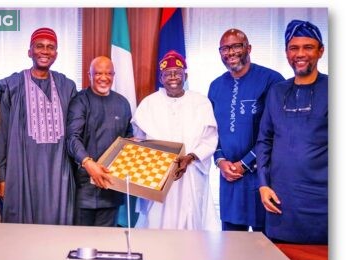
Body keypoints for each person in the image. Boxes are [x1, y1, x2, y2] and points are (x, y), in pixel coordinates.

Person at [256, 20, 328, 244]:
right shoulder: (277, 91)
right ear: (286, 53)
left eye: (308, 47)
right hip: (279, 199)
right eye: (293, 48)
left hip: (323, 202)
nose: (300, 54)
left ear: (320, 51)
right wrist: (263, 184)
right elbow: (264, 141)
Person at [0, 27, 77, 225]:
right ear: (30, 51)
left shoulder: (67, 86)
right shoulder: (11, 86)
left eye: (50, 47)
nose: (45, 51)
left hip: (59, 174)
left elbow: (76, 132)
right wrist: (2, 177)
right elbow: (1, 135)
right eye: (39, 46)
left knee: (58, 230)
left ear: (56, 54)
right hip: (22, 171)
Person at [132, 50, 220, 231]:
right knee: (156, 223)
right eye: (168, 74)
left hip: (191, 174)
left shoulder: (201, 102)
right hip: (157, 176)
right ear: (161, 78)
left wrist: (190, 158)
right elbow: (139, 141)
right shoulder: (148, 103)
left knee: (191, 224)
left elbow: (210, 140)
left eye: (178, 73)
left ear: (185, 76)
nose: (173, 77)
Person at [208, 29, 285, 232]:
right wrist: (220, 160)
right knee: (231, 246)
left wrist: (245, 163)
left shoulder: (272, 80)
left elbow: (277, 130)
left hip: (263, 177)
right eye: (225, 48)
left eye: (236, 46)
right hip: (229, 179)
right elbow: (210, 130)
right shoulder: (215, 86)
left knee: (265, 247)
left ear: (248, 48)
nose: (230, 52)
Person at [66, 56, 133, 227]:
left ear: (114, 75)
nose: (104, 78)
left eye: (108, 73)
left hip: (112, 188)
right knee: (81, 243)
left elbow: (128, 139)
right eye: (98, 73)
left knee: (106, 242)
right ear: (89, 75)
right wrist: (89, 164)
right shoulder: (80, 101)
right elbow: (72, 138)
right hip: (84, 190)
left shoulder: (123, 103)